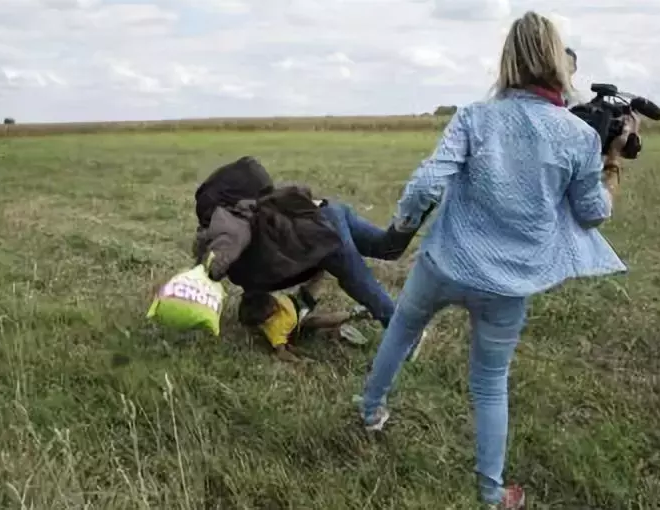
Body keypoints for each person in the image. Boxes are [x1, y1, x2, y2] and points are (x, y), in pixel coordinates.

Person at [357, 11, 637, 509]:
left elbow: (425, 184)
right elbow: (593, 215)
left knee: (401, 329)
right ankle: (491, 494)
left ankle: (370, 411)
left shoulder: (474, 116)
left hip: (443, 263)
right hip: (508, 285)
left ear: (507, 59)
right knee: (489, 384)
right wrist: (611, 158)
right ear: (557, 61)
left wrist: (400, 230)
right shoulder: (578, 136)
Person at [193, 156, 428, 340]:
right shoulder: (258, 210)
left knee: (357, 281)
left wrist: (205, 272)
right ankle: (417, 208)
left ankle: (407, 334)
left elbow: (228, 246)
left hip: (320, 231)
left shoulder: (233, 222)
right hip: (328, 212)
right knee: (387, 248)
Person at [237, 271, 372, 362]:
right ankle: (355, 314)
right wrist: (300, 360)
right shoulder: (274, 331)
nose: (275, 306)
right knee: (316, 320)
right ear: (264, 319)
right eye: (271, 310)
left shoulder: (266, 296)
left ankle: (322, 265)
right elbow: (281, 352)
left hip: (297, 302)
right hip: (301, 325)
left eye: (272, 302)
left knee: (313, 280)